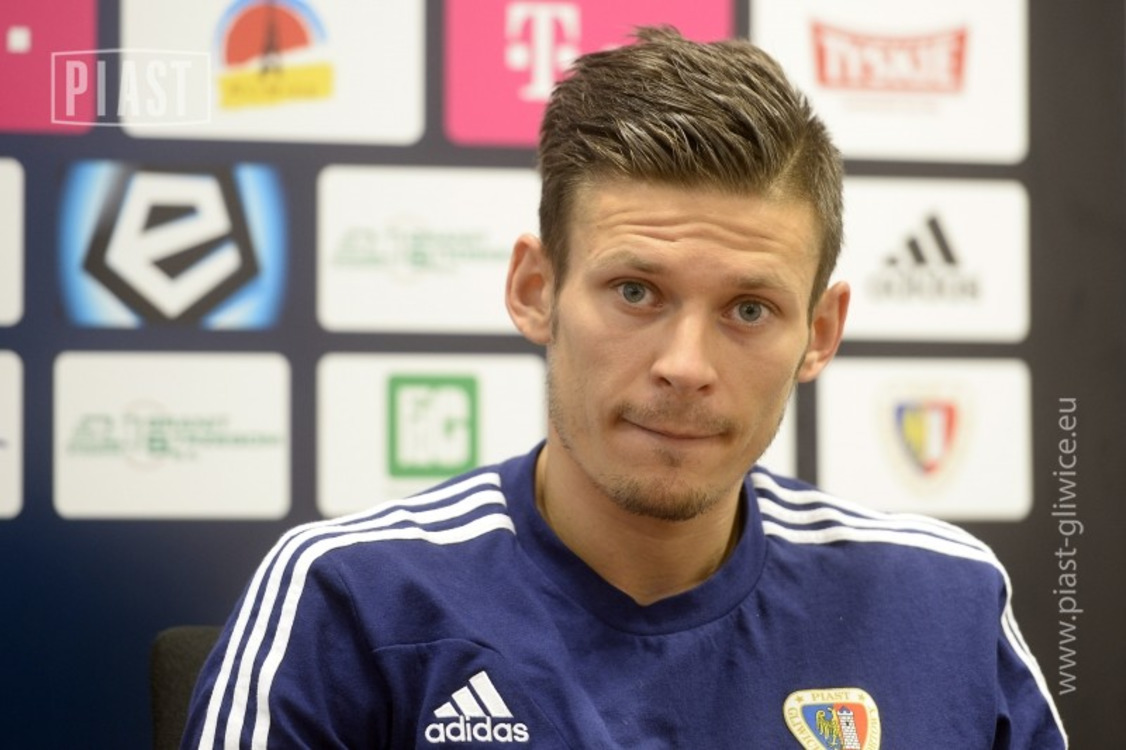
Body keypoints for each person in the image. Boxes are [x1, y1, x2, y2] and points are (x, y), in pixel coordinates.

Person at [182, 27, 1067, 748]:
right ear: (536, 291)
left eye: (749, 309)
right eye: (636, 292)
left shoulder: (943, 600)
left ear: (820, 333)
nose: (686, 364)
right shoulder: (351, 599)